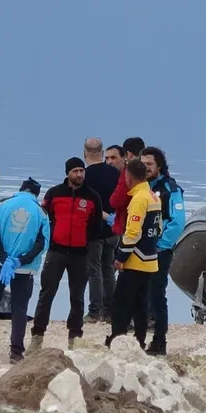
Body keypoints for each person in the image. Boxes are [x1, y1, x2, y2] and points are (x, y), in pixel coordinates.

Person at [0, 177, 50, 363]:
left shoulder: (0, 204)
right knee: (19, 309)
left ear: (20, 189)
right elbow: (43, 243)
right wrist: (20, 260)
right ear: (36, 194)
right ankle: (16, 352)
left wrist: (4, 258)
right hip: (24, 269)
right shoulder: (41, 213)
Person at [29, 157, 103, 351]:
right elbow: (44, 219)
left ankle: (75, 340)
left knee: (77, 298)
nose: (79, 175)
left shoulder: (93, 196)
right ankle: (37, 337)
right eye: (75, 171)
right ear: (67, 173)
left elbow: (97, 227)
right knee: (46, 294)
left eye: (82, 171)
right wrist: (51, 239)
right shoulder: (54, 193)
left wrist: (85, 242)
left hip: (80, 254)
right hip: (56, 252)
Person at [105, 159, 162, 350]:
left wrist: (121, 257)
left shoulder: (138, 199)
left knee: (120, 302)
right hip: (150, 259)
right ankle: (139, 339)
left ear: (128, 177)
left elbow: (132, 233)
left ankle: (117, 339)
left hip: (135, 260)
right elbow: (158, 228)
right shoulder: (154, 196)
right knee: (140, 304)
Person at [142, 146, 184, 356]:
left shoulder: (171, 189)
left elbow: (177, 222)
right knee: (139, 294)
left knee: (157, 296)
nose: (146, 168)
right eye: (143, 164)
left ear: (159, 165)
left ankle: (160, 341)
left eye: (149, 164)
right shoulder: (141, 187)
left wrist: (161, 245)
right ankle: (139, 339)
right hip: (140, 250)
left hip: (159, 250)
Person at [83, 139, 121, 324]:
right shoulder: (115, 173)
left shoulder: (85, 175)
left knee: (94, 271)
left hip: (94, 231)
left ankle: (94, 311)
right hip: (113, 231)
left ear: (85, 153)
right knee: (108, 270)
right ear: (101, 151)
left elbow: (84, 205)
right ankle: (110, 311)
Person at [108, 137, 145, 240]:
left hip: (128, 225)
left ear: (129, 154)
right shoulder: (149, 168)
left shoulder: (129, 172)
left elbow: (116, 201)